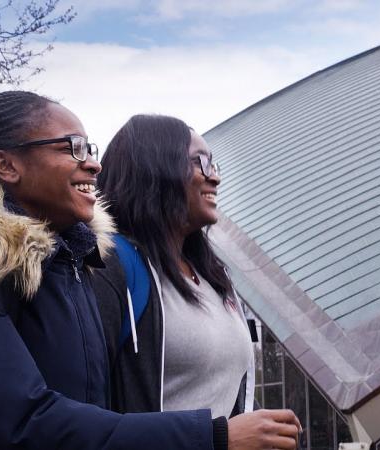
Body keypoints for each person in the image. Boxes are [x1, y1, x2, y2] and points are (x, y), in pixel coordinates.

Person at [0, 91, 301, 450]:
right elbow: (27, 420)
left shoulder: (71, 265)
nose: (93, 163)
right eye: (73, 148)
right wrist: (213, 437)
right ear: (7, 165)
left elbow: (95, 415)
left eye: (90, 148)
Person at [93, 114, 302, 434]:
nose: (214, 177)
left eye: (213, 164)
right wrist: (218, 439)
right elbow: (82, 417)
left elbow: (219, 399)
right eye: (199, 162)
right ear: (154, 168)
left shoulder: (215, 279)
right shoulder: (109, 267)